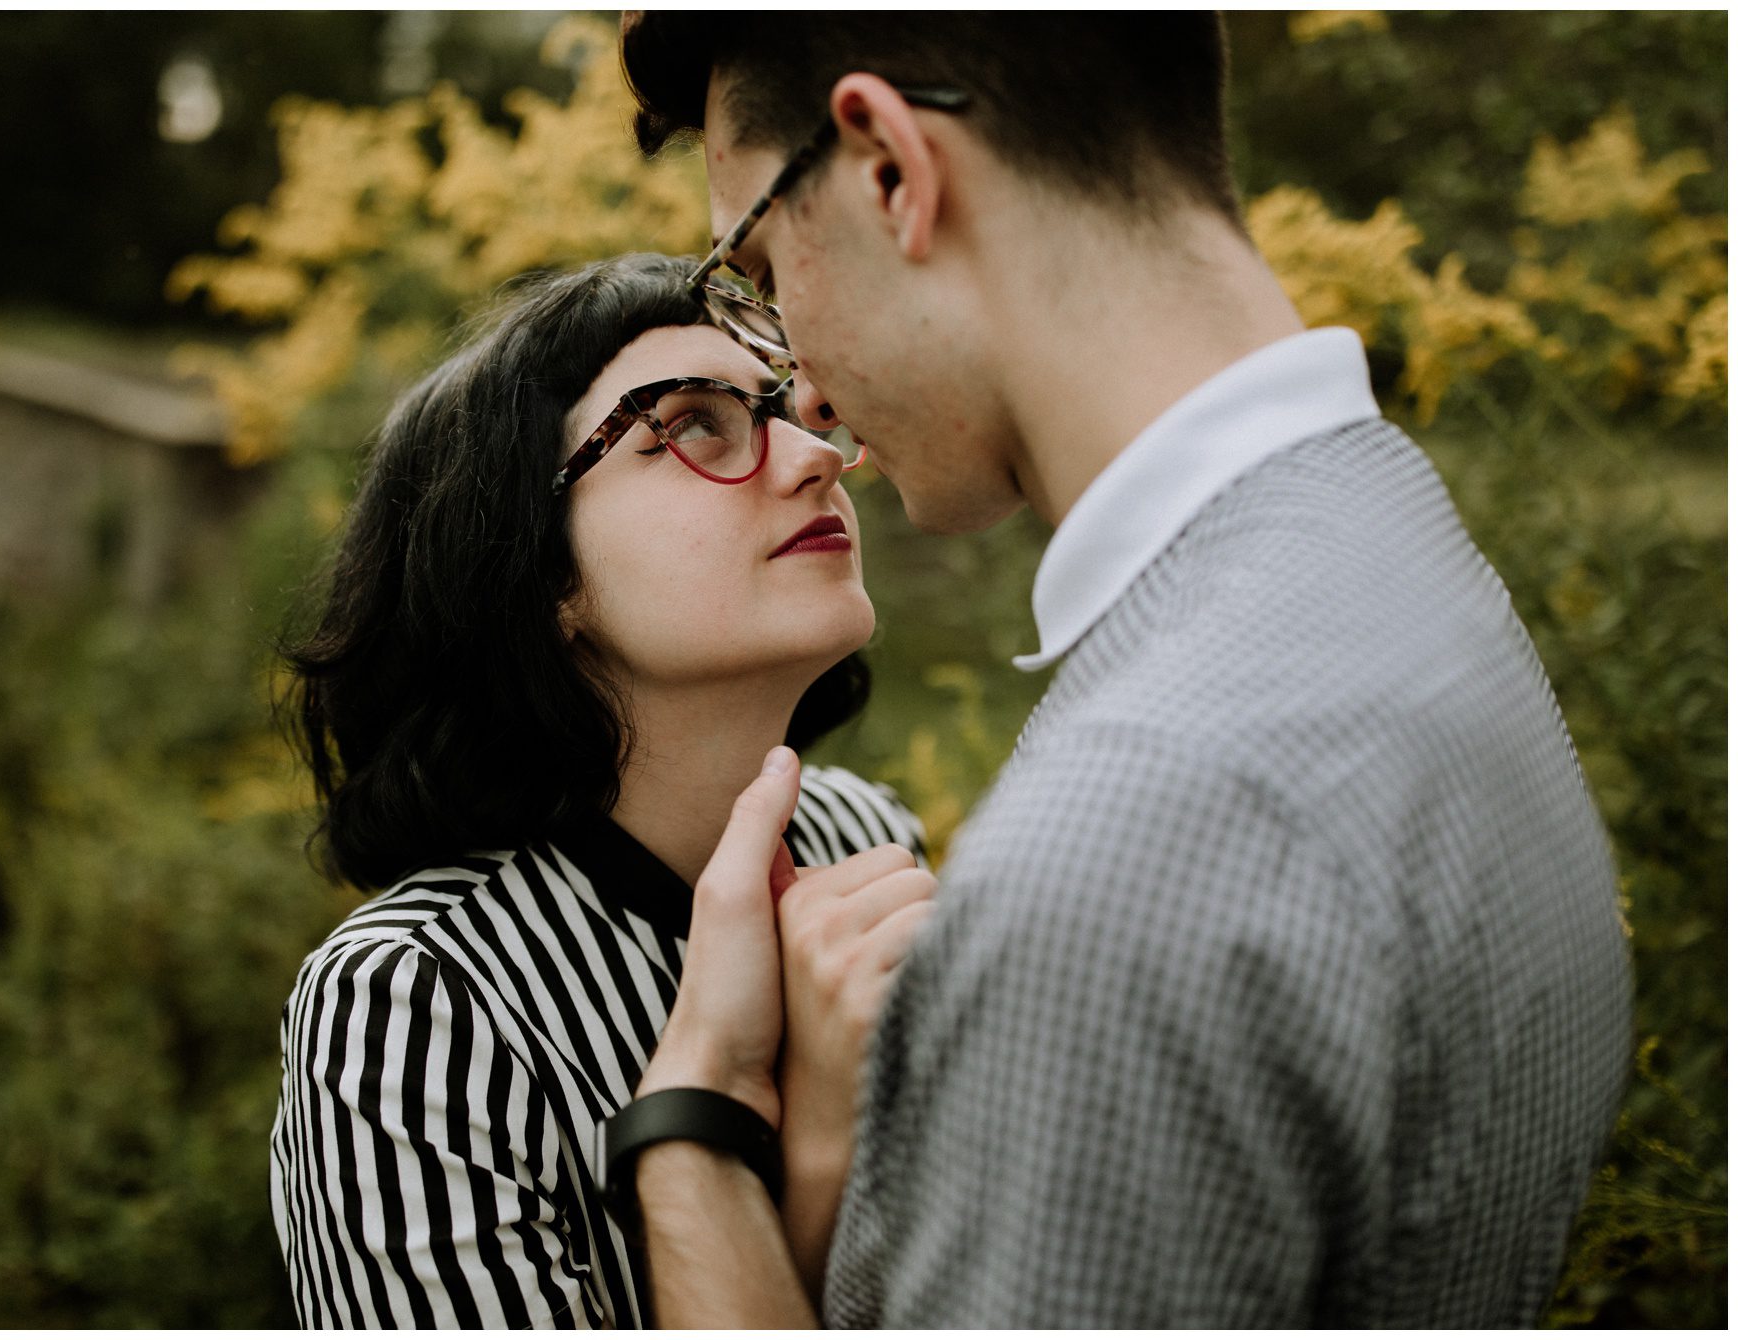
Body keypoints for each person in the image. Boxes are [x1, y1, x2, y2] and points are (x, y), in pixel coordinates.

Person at [610, 11, 1635, 1327]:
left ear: (891, 169)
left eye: (758, 262)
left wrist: (686, 1141)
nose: (800, 391)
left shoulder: (1133, 846)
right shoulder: (1396, 547)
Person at [268, 253, 934, 1328]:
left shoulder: (867, 836)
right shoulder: (419, 1003)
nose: (816, 457)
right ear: (543, 575)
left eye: (783, 411)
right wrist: (810, 1156)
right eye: (694, 425)